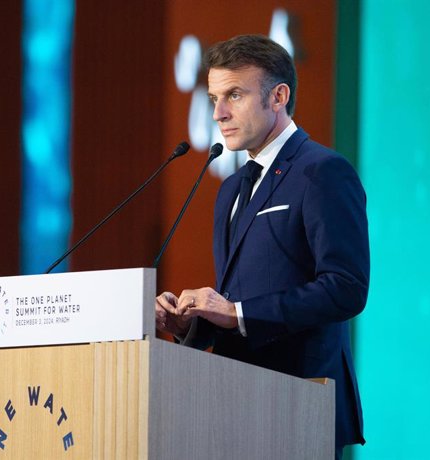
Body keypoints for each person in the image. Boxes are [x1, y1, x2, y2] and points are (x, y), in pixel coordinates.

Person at [155, 34, 369, 459]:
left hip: (302, 400)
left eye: (234, 95)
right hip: (236, 405)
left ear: (278, 96)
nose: (218, 113)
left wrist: (235, 313)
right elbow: (239, 302)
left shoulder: (323, 172)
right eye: (214, 97)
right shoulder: (231, 187)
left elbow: (346, 288)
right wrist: (190, 325)